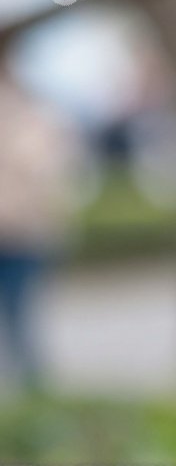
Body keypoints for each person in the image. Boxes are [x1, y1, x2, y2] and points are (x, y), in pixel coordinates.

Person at [0, 77, 83, 393]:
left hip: (21, 235)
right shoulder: (34, 119)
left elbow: (44, 176)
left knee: (20, 316)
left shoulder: (31, 122)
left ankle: (34, 390)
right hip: (23, 232)